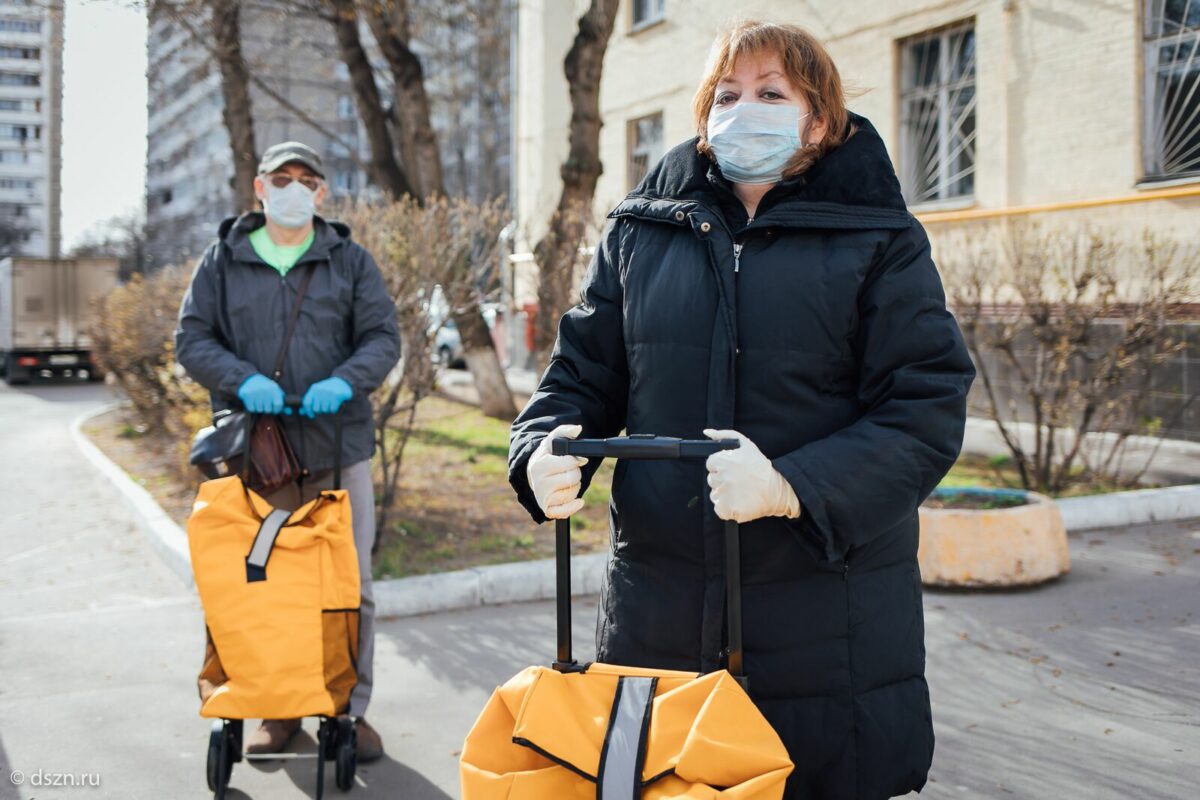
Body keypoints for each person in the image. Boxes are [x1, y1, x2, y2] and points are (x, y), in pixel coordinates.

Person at [508, 21, 976, 800]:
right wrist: (542, 452)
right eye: (727, 95)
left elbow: (925, 406)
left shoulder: (881, 238)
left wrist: (795, 486)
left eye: (770, 93)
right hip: (660, 606)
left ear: (818, 119)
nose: (743, 110)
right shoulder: (639, 230)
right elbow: (582, 375)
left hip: (828, 616)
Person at [176, 141, 401, 762]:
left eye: (307, 179)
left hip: (338, 446)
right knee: (264, 585)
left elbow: (383, 337)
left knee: (350, 586)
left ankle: (349, 713)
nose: (295, 187)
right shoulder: (223, 259)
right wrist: (241, 378)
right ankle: (276, 713)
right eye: (283, 178)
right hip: (260, 451)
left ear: (322, 193)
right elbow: (191, 338)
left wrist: (345, 381)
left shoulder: (348, 260)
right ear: (260, 187)